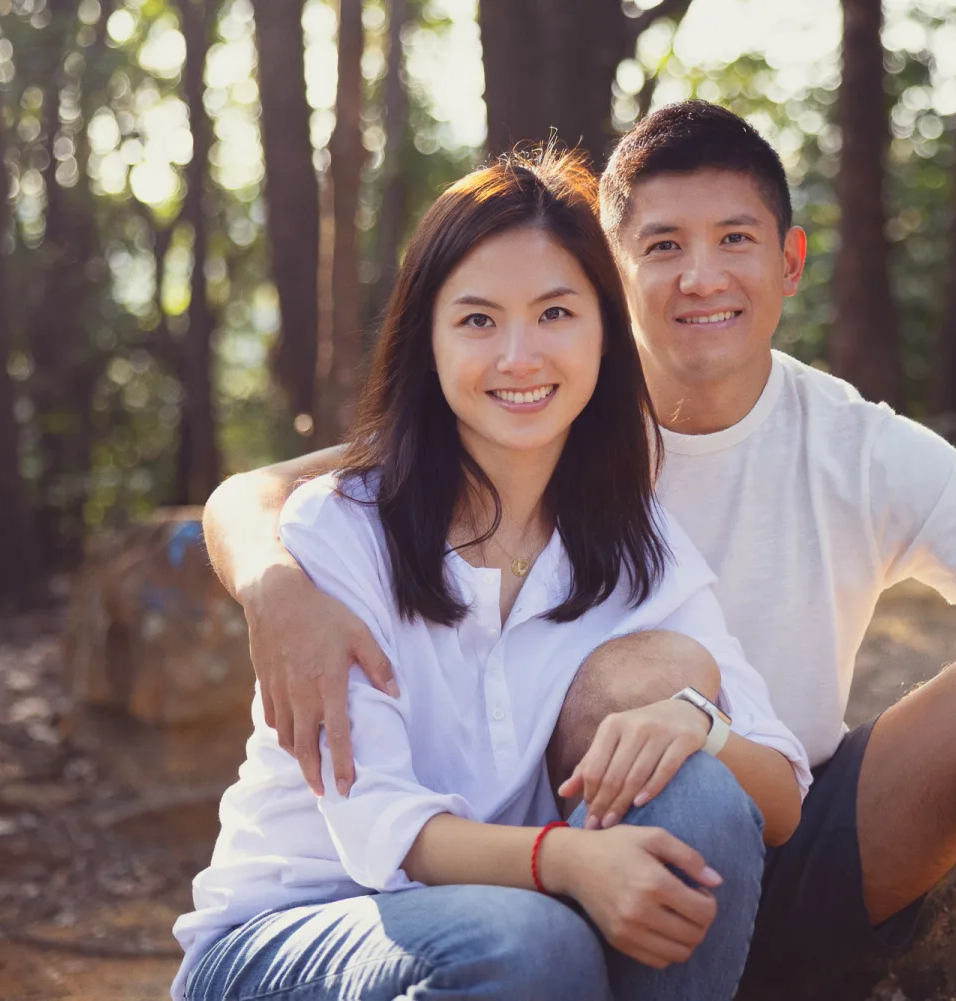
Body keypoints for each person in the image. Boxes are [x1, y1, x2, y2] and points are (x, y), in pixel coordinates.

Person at [203, 102, 956, 1001]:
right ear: (612, 261)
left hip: (761, 833)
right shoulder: (509, 422)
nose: (702, 277)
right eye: (664, 245)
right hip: (526, 871)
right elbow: (270, 493)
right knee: (567, 862)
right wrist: (274, 584)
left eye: (735, 239)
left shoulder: (737, 489)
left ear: (789, 260)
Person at [174, 149, 810, 1001]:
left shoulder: (634, 541)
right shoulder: (338, 529)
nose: (519, 356)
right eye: (478, 321)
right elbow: (380, 824)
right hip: (285, 938)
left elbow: (779, 793)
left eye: (555, 312)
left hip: (513, 922)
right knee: (534, 942)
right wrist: (566, 858)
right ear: (427, 341)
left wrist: (701, 723)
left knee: (701, 800)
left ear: (604, 332)